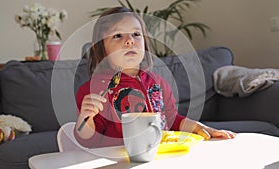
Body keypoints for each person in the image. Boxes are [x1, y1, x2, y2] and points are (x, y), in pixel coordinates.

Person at [74, 7, 235, 148]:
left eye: (136, 34)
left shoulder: (159, 83)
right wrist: (85, 118)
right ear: (101, 48)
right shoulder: (93, 91)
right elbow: (87, 141)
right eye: (118, 36)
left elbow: (172, 121)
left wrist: (199, 127)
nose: (130, 41)